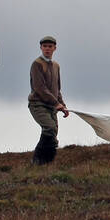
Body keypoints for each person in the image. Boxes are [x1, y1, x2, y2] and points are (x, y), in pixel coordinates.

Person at [28, 35, 69, 164]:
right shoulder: (37, 64)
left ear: (55, 48)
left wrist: (62, 105)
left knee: (52, 134)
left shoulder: (56, 66)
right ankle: (38, 159)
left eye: (50, 46)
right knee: (50, 128)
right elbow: (40, 88)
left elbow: (57, 89)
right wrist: (56, 103)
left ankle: (44, 162)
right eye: (45, 46)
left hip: (52, 106)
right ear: (40, 47)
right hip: (38, 104)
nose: (47, 49)